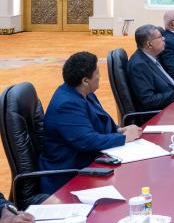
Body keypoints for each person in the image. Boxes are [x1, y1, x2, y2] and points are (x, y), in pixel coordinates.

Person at [39, 52, 142, 194]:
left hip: (90, 162)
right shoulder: (67, 104)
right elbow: (87, 141)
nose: (100, 77)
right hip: (69, 176)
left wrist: (119, 130)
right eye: (97, 73)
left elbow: (101, 122)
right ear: (85, 80)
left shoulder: (85, 93)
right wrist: (124, 138)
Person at [127, 24, 174, 111]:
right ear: (149, 44)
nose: (164, 38)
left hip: (173, 104)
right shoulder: (139, 65)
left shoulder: (152, 56)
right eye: (160, 37)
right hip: (162, 114)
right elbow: (149, 101)